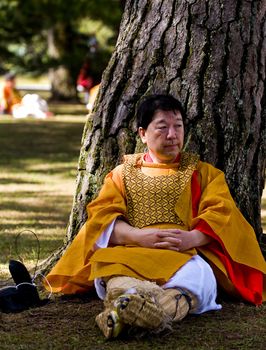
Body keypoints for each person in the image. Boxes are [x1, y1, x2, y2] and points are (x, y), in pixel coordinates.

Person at [45, 94, 266, 339]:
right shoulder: (121, 174)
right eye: (162, 127)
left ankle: (127, 315)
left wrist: (191, 239)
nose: (172, 135)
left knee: (199, 279)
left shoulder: (203, 173)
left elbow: (222, 214)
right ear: (142, 134)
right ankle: (135, 308)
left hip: (183, 254)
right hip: (130, 252)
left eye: (178, 126)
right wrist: (139, 236)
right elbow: (103, 219)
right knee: (117, 276)